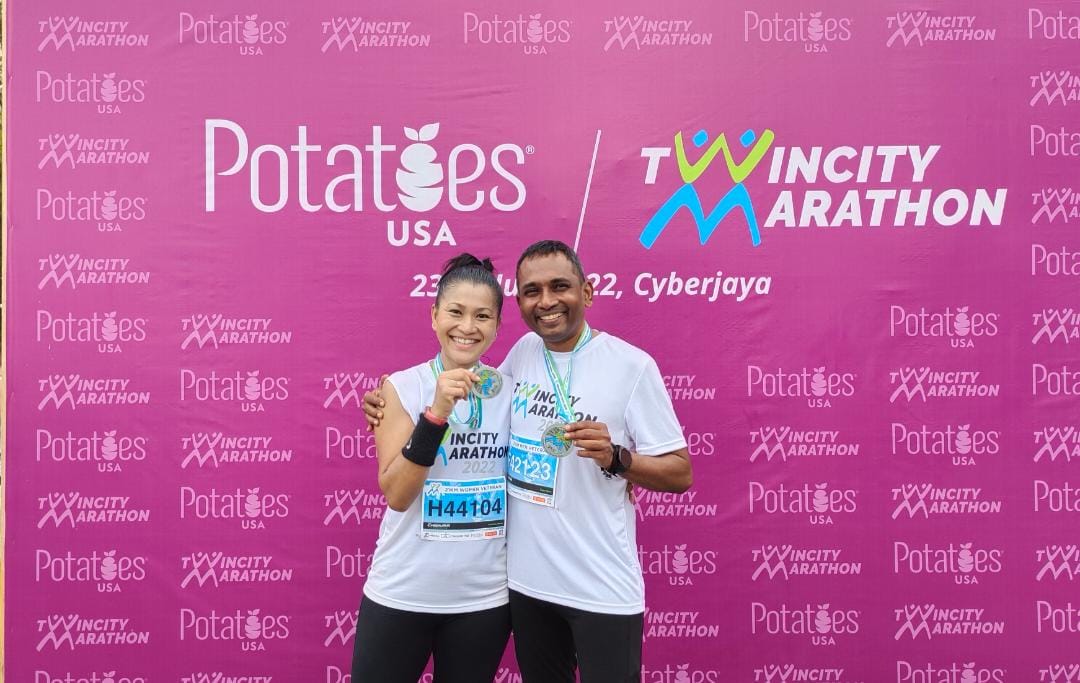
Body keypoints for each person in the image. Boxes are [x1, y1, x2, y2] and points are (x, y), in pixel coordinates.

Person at [366, 240, 693, 682]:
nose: (547, 301)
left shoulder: (630, 366)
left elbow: (679, 472)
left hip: (592, 586)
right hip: (524, 587)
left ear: (587, 292)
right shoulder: (519, 357)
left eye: (560, 286)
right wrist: (394, 406)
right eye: (532, 291)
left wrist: (619, 460)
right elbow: (406, 479)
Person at [351, 254, 512, 683]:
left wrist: (616, 467)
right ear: (434, 315)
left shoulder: (511, 391)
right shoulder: (401, 387)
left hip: (483, 599)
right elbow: (398, 494)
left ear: (498, 325)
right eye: (455, 312)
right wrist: (436, 413)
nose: (467, 326)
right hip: (403, 590)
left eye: (482, 316)